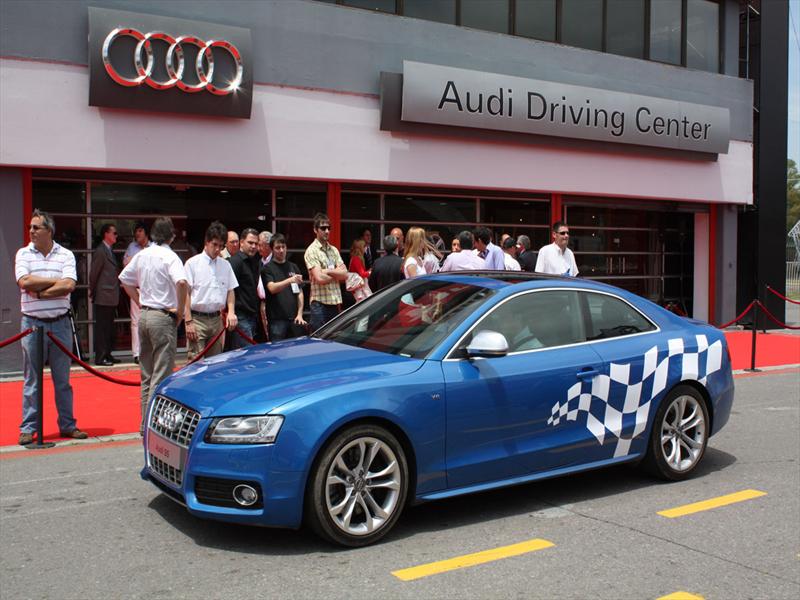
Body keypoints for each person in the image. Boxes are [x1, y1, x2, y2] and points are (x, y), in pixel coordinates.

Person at [15, 209, 86, 444]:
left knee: (62, 380)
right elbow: (24, 281)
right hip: (32, 325)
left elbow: (70, 285)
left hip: (60, 324)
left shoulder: (65, 254)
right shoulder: (23, 253)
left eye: (36, 227)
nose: (31, 231)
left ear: (49, 231)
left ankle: (68, 425)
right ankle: (28, 427)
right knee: (31, 379)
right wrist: (57, 282)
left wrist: (40, 292)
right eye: (30, 228)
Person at [119, 217, 188, 435]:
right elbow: (182, 282)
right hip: (162, 315)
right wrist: (180, 310)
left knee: (147, 374)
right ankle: (153, 425)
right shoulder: (170, 256)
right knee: (161, 375)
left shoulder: (143, 255)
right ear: (171, 236)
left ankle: (144, 423)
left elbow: (124, 279)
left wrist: (139, 300)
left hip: (146, 314)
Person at [183, 222, 239, 361]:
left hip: (217, 319)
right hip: (197, 319)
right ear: (206, 242)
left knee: (216, 363)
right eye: (215, 245)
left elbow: (230, 290)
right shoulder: (192, 263)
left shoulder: (225, 265)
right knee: (195, 363)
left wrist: (231, 312)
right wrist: (188, 321)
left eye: (221, 246)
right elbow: (185, 293)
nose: (218, 249)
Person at [304, 213, 347, 331]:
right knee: (319, 343)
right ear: (315, 230)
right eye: (323, 228)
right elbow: (320, 278)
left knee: (333, 341)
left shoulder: (334, 250)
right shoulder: (311, 251)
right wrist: (336, 273)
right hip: (319, 304)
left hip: (334, 303)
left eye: (329, 228)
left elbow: (345, 274)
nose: (327, 231)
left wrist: (327, 270)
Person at [262, 233, 307, 341]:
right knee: (277, 353)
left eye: (283, 247)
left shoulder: (293, 267)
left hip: (295, 319)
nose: (281, 250)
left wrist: (300, 314)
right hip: (277, 321)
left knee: (296, 352)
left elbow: (299, 292)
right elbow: (272, 288)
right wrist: (290, 280)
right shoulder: (268, 268)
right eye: (278, 248)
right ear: (272, 249)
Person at [89, 223, 120, 366]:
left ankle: (108, 354)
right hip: (103, 295)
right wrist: (93, 290)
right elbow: (94, 273)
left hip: (110, 295)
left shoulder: (109, 250)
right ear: (106, 234)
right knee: (102, 328)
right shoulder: (101, 251)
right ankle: (100, 357)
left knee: (109, 328)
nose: (116, 236)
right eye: (114, 233)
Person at [123, 222, 152, 363]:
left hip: (152, 288)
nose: (137, 234)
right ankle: (137, 353)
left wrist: (134, 261)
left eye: (140, 231)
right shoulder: (132, 247)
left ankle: (150, 351)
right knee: (136, 320)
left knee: (152, 319)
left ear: (146, 232)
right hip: (136, 287)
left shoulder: (154, 247)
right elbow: (125, 264)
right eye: (136, 231)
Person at [228, 228, 261, 348]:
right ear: (241, 242)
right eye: (250, 243)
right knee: (245, 354)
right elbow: (229, 288)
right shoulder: (235, 261)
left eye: (256, 244)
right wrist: (231, 313)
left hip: (252, 315)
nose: (253, 246)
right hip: (240, 316)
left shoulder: (255, 261)